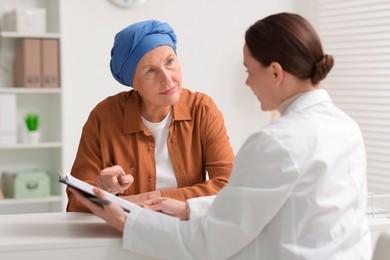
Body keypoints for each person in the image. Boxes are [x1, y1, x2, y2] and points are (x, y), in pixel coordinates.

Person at [69, 12, 372, 259]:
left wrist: (127, 220)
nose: (247, 83)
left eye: (248, 70)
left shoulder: (274, 141)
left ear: (276, 72)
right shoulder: (346, 127)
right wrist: (188, 206)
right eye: (150, 71)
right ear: (132, 81)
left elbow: (210, 240)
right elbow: (250, 205)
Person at [66, 20, 234, 212]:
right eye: (151, 71)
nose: (167, 78)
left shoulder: (202, 109)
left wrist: (154, 198)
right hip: (123, 235)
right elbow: (76, 202)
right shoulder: (104, 118)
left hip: (186, 231)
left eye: (170, 61)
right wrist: (103, 190)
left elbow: (230, 186)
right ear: (133, 82)